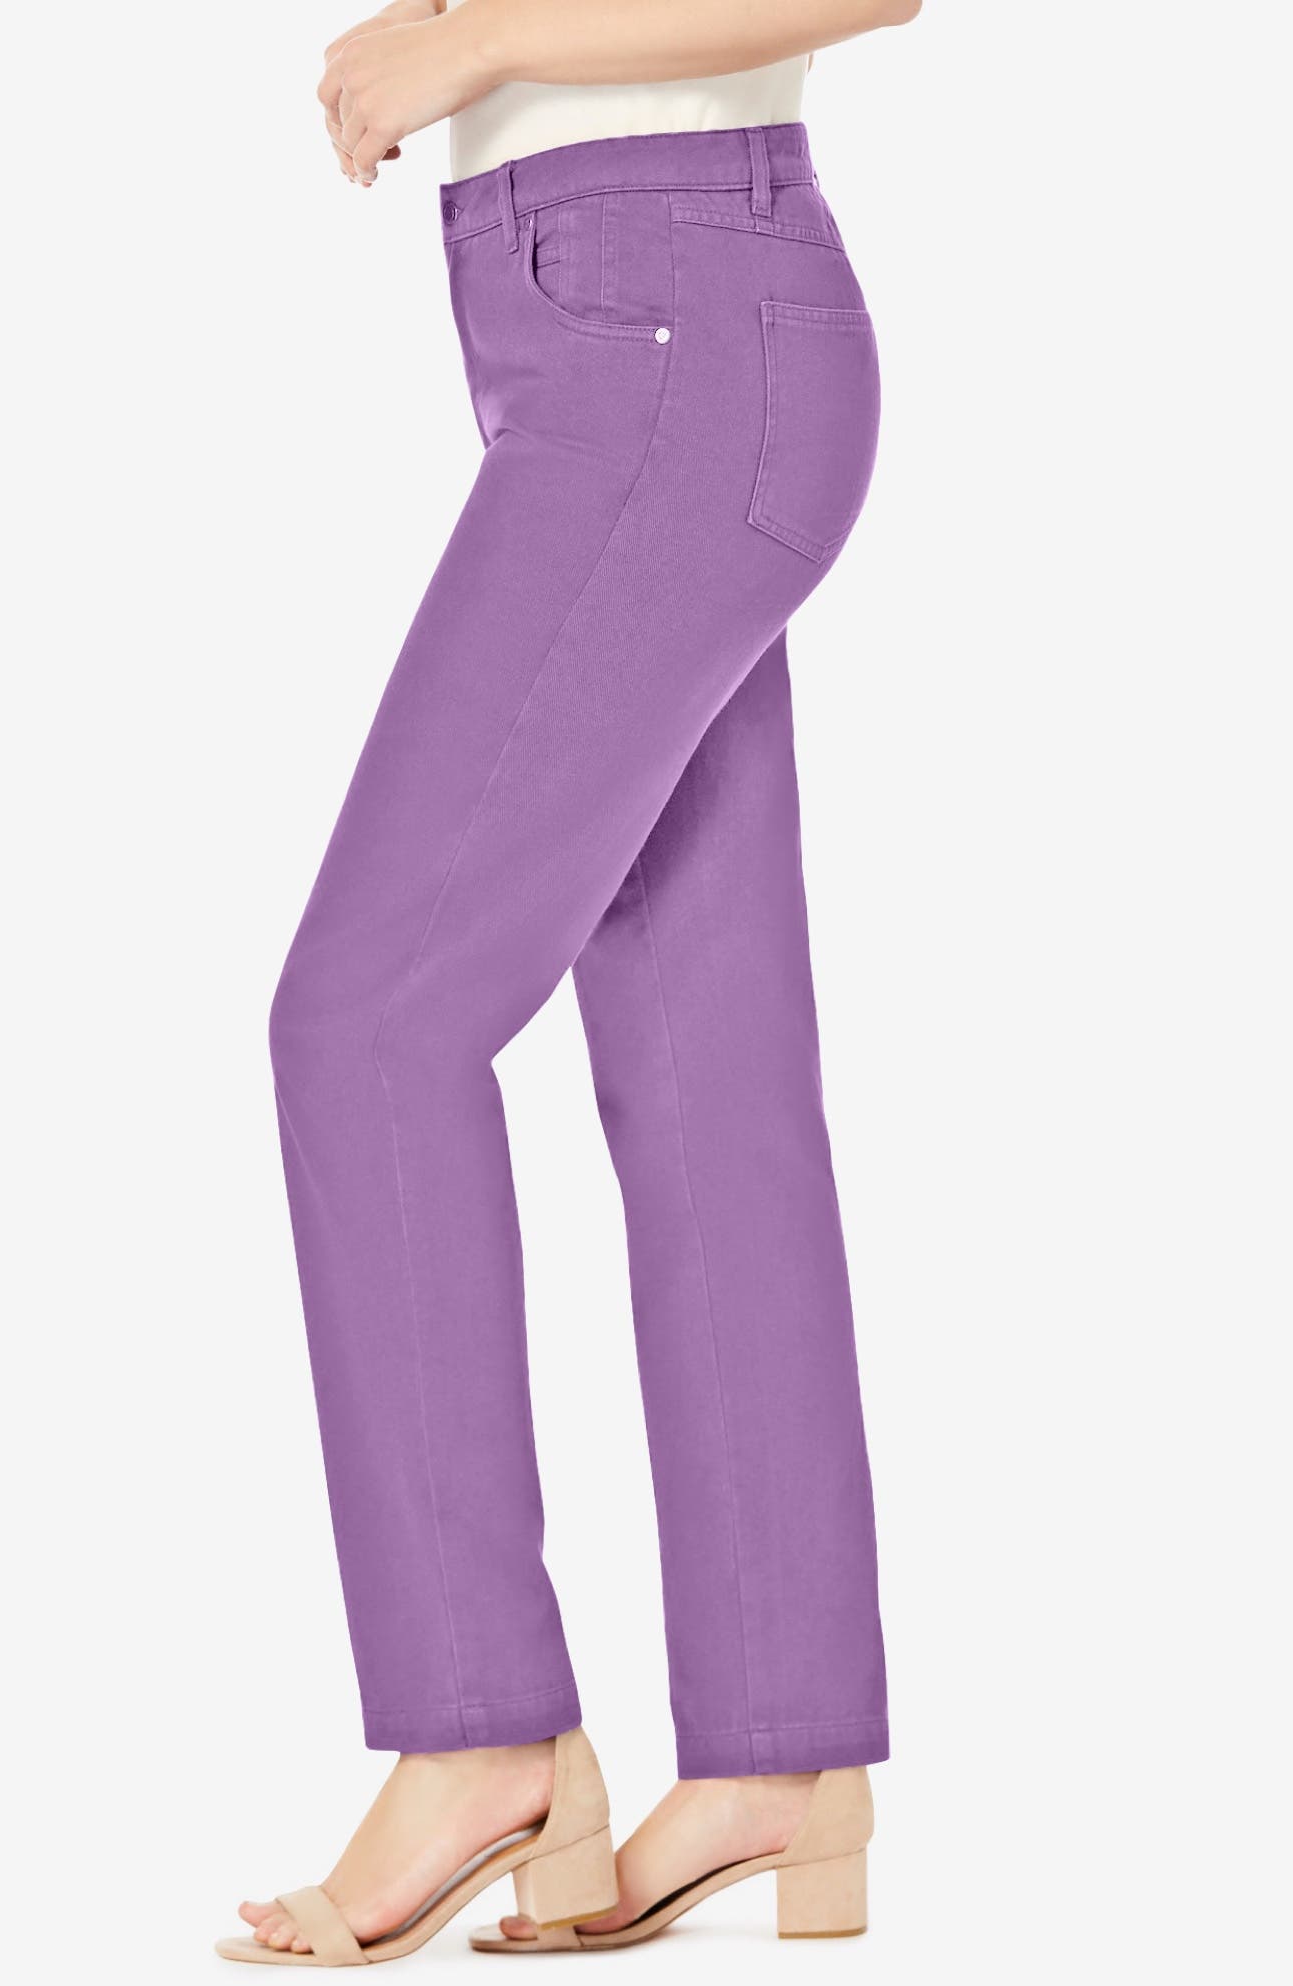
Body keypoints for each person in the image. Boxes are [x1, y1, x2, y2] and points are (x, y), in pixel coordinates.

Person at [215, 0, 920, 1965]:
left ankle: (482, 1734)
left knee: (368, 1021)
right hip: (629, 321)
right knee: (706, 1067)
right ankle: (779, 1748)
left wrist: (475, 47)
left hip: (670, 327)